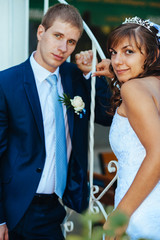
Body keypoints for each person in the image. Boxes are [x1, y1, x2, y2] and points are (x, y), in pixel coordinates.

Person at [0, 3, 112, 240]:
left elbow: (106, 116)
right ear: (41, 33)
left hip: (55, 206)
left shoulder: (75, 75)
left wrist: (93, 73)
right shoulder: (6, 83)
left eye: (71, 42)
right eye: (58, 36)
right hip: (14, 206)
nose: (63, 48)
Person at [94, 17, 160, 239]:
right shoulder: (153, 86)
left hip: (139, 213)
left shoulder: (132, 89)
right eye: (113, 52)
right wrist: (115, 75)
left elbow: (158, 152)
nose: (117, 60)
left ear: (152, 56)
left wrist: (120, 214)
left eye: (128, 51)